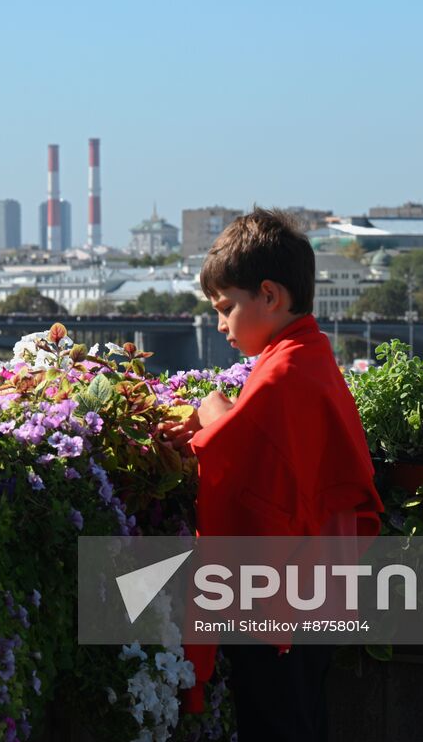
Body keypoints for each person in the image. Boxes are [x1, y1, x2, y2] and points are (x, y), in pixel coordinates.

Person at [157, 208, 383, 740]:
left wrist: (212, 407)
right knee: (302, 717)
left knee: (276, 722)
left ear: (270, 295)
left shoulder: (282, 371)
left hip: (280, 596)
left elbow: (233, 454)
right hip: (317, 586)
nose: (219, 324)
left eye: (226, 307)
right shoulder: (309, 353)